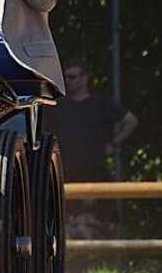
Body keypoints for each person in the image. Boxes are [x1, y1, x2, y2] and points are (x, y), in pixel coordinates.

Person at [43, 59, 139, 237]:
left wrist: (115, 143)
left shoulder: (100, 103)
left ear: (85, 78)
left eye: (72, 76)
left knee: (98, 220)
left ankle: (104, 259)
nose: (68, 81)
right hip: (66, 172)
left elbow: (130, 120)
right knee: (67, 220)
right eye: (66, 77)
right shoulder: (58, 106)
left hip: (95, 171)